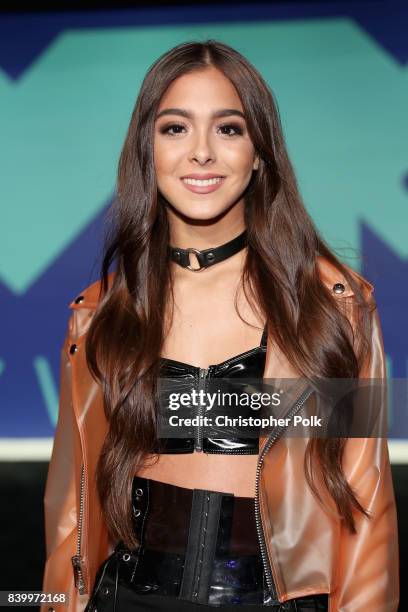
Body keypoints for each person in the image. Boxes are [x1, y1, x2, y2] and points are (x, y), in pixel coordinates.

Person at [41, 40, 399, 612]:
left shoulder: (333, 307)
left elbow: (366, 499)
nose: (201, 152)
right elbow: (70, 514)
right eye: (175, 129)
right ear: (146, 151)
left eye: (229, 129)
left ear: (260, 152)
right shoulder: (99, 314)